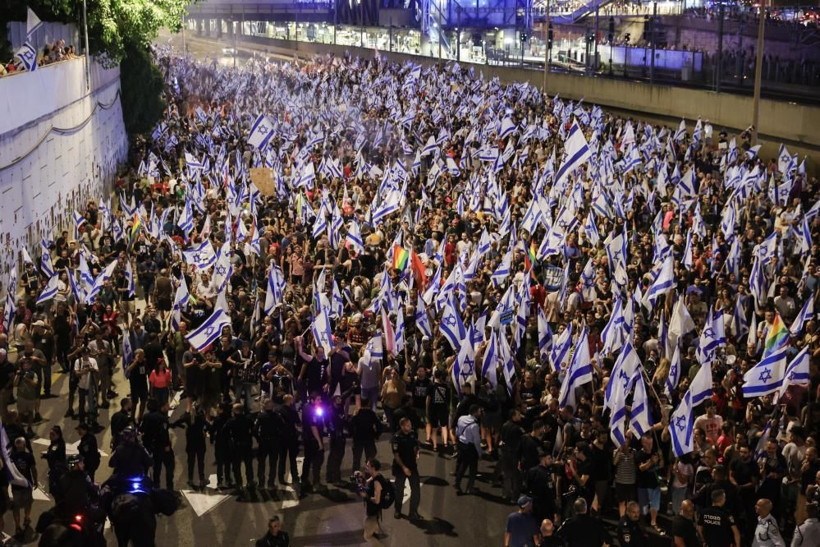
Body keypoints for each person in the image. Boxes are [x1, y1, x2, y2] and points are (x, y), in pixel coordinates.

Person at [391, 416, 420, 520]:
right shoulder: (397, 438)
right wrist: (404, 468)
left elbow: (415, 445)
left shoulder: (412, 434)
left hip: (412, 466)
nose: (410, 426)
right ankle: (397, 510)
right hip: (400, 468)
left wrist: (417, 452)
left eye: (410, 424)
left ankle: (413, 512)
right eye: (407, 425)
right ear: (402, 426)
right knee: (399, 490)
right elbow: (396, 455)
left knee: (416, 490)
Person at [10, 437, 37, 540]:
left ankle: (17, 526)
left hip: (15, 486)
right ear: (25, 445)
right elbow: (33, 469)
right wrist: (35, 481)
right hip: (26, 484)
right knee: (28, 503)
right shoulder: (29, 456)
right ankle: (26, 518)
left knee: (16, 507)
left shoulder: (11, 457)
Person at [454, 404, 483, 495]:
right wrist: (479, 452)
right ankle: (470, 487)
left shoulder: (461, 418)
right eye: (479, 411)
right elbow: (476, 441)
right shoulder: (474, 425)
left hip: (462, 444)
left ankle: (457, 482)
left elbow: (457, 431)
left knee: (463, 465)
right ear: (475, 413)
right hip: (470, 448)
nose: (480, 413)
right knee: (473, 469)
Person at [359, 459, 388, 546]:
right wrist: (360, 478)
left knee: (367, 536)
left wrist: (366, 496)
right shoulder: (376, 476)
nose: (366, 467)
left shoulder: (377, 482)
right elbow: (365, 483)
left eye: (368, 466)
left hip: (373, 514)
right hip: (374, 512)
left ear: (373, 468)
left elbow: (377, 500)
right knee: (372, 532)